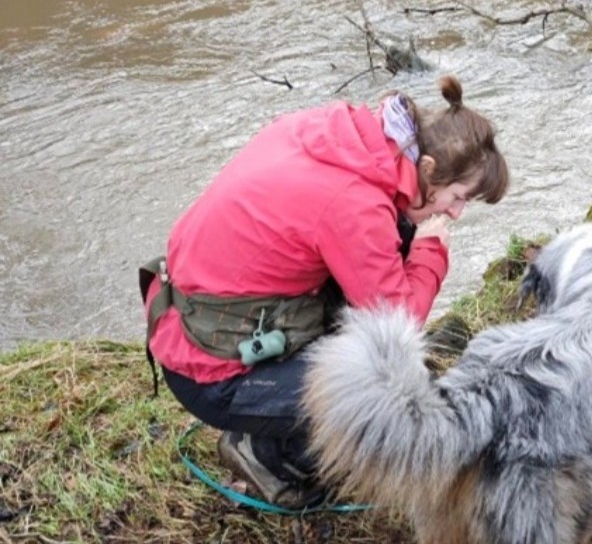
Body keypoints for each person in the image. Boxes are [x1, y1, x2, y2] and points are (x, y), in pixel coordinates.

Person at [139, 75, 508, 509]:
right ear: (427, 168)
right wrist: (431, 252)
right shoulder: (354, 203)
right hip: (210, 375)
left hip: (187, 323)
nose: (458, 213)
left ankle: (271, 425)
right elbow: (398, 326)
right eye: (459, 197)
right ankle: (269, 455)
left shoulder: (346, 138)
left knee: (403, 229)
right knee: (389, 391)